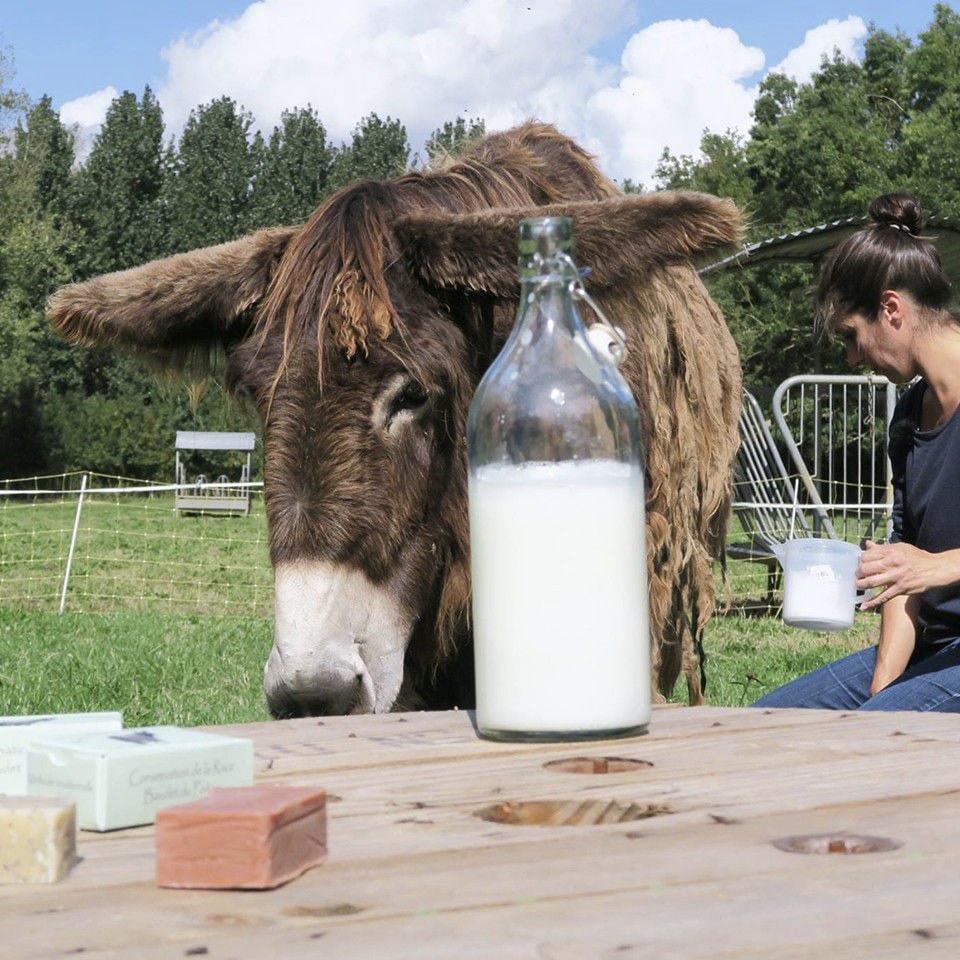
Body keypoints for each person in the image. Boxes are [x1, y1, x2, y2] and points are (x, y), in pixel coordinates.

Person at [753, 193, 960, 712]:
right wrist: (881, 691)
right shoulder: (909, 414)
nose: (853, 357)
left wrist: (936, 568)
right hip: (936, 648)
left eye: (852, 335)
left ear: (890, 309)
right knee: (770, 722)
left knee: (869, 739)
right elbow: (899, 570)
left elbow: (918, 567)